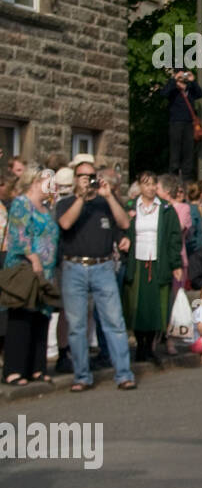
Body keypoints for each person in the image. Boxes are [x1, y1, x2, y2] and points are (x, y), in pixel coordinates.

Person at [56, 154, 135, 391]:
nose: (88, 181)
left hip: (103, 267)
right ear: (75, 179)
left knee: (115, 322)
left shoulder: (105, 203)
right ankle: (81, 376)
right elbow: (66, 224)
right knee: (77, 325)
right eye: (84, 177)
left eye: (92, 177)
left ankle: (123, 373)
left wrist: (109, 196)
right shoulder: (66, 202)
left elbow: (124, 224)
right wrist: (81, 197)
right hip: (74, 267)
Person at [2, 169, 61, 386]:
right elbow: (19, 234)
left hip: (45, 272)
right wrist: (34, 259)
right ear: (36, 181)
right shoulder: (21, 203)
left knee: (41, 317)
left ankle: (37, 367)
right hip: (26, 269)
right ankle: (14, 370)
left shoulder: (46, 208)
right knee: (22, 317)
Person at [121, 172, 183, 369]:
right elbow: (122, 229)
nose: (149, 188)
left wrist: (176, 264)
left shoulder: (166, 209)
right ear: (139, 186)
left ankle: (151, 345)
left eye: (152, 184)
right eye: (145, 184)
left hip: (158, 261)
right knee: (138, 303)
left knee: (156, 304)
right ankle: (140, 345)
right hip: (137, 261)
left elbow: (174, 239)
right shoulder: (131, 206)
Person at [161, 69, 202, 182]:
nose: (182, 80)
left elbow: (200, 94)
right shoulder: (173, 90)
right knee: (175, 152)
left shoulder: (190, 90)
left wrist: (192, 81)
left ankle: (187, 179)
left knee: (188, 152)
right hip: (176, 123)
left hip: (189, 124)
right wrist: (174, 79)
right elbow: (163, 93)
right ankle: (173, 178)